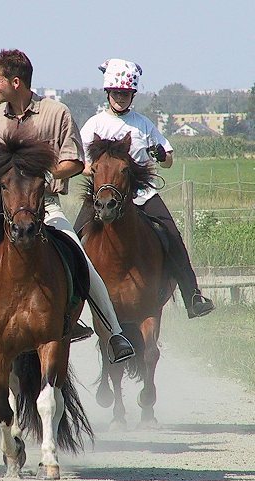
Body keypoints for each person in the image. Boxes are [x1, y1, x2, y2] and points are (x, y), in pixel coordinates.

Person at [0, 49, 135, 369]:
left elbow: (75, 161)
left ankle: (112, 334)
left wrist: (51, 173)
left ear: (15, 83)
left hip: (45, 206)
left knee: (80, 256)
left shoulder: (56, 113)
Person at [74, 58, 214, 319]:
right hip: (104, 196)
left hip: (141, 194)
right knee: (74, 239)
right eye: (116, 93)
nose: (120, 98)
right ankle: (69, 310)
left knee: (172, 236)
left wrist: (160, 154)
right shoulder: (94, 124)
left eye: (126, 94)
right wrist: (97, 172)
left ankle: (192, 296)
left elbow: (168, 160)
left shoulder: (144, 124)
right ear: (108, 93)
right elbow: (80, 162)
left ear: (133, 95)